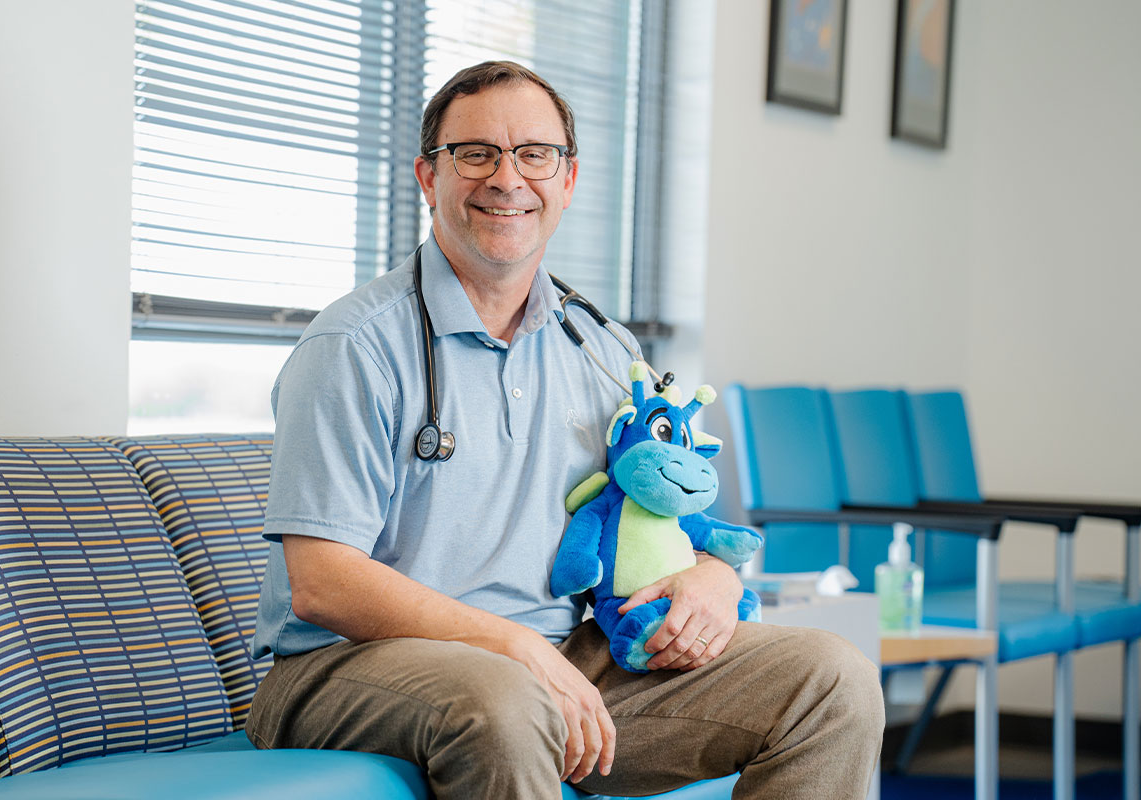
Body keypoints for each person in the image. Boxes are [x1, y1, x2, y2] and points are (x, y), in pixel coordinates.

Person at [246, 60, 884, 799]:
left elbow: (651, 518)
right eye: (475, 153)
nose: (506, 178)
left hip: (564, 657)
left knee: (832, 678)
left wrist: (712, 576)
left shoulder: (605, 350)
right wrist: (509, 645)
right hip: (349, 666)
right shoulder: (355, 347)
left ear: (568, 180)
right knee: (506, 699)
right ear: (428, 177)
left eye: (535, 154)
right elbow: (322, 585)